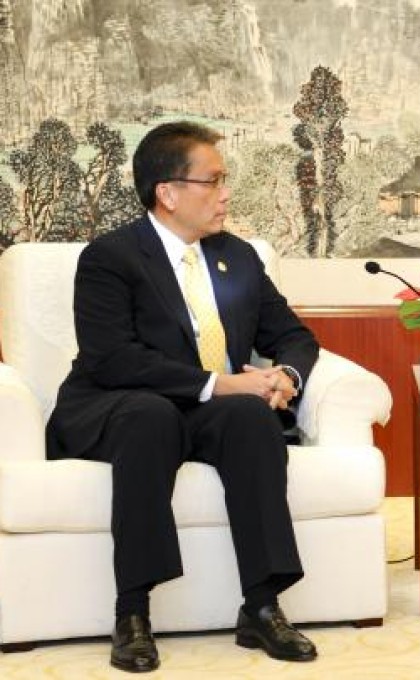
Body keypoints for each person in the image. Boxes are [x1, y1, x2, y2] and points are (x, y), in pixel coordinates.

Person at [45, 121, 321, 672]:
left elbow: (292, 335)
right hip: (117, 403)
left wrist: (285, 375)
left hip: (200, 412)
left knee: (251, 419)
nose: (226, 193)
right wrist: (225, 382)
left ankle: (262, 606)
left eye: (226, 180)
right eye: (212, 180)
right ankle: (133, 613)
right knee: (152, 417)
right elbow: (113, 359)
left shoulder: (237, 256)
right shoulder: (110, 258)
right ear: (167, 193)